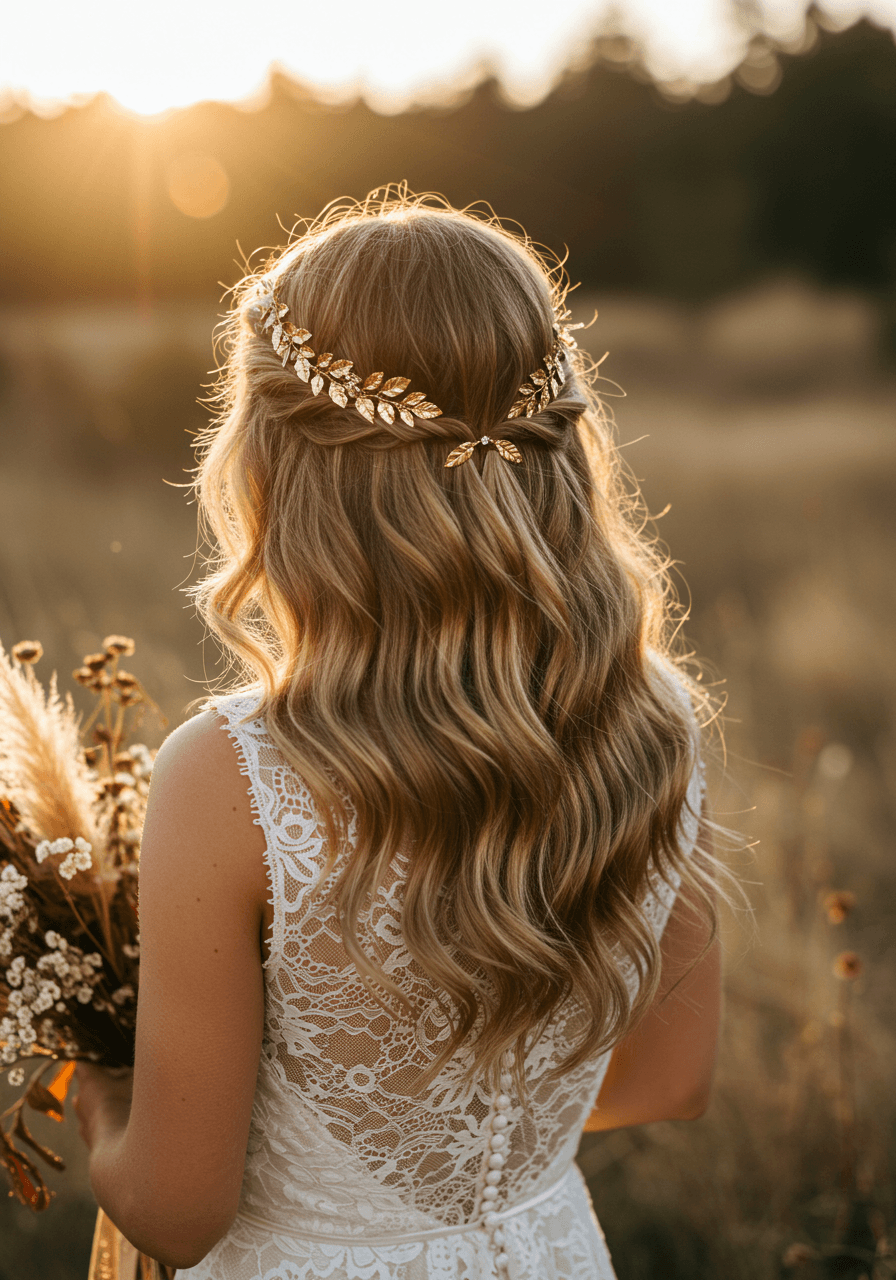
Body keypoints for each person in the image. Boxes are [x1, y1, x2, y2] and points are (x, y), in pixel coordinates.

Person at [75, 190, 726, 1280]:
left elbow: (177, 1210)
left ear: (274, 461)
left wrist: (102, 1100)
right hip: (548, 1248)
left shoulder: (233, 773)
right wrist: (482, 1148)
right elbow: (670, 1079)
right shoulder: (652, 718)